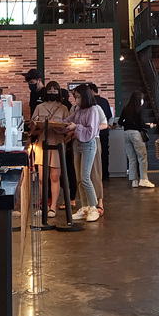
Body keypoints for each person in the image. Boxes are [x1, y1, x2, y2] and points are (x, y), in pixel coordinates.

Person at [63, 83, 104, 222]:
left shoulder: (93, 110)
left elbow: (91, 131)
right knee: (79, 179)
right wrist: (54, 123)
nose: (76, 100)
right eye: (75, 97)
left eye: (78, 97)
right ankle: (84, 207)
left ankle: (93, 208)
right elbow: (67, 121)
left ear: (85, 96)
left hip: (88, 145)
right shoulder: (78, 109)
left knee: (86, 178)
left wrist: (76, 127)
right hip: (77, 144)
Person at [30, 81, 69, 218]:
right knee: (41, 178)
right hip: (42, 142)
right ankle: (44, 205)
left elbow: (68, 126)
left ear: (58, 92)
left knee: (54, 176)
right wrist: (35, 124)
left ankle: (53, 207)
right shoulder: (39, 107)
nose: (52, 92)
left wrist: (65, 135)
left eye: (55, 90)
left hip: (57, 142)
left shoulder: (63, 108)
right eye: (50, 90)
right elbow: (32, 127)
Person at [118, 91, 155, 188]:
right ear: (139, 99)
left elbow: (120, 122)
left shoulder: (126, 109)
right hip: (136, 134)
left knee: (131, 158)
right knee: (142, 157)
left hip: (126, 134)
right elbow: (140, 124)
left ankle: (134, 181)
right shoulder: (139, 109)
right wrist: (149, 126)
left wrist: (128, 124)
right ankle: (144, 179)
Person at [89, 83, 113, 180]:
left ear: (91, 91)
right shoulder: (105, 101)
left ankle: (95, 176)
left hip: (92, 133)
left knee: (93, 155)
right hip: (104, 132)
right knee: (104, 153)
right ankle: (105, 175)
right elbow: (109, 116)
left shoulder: (90, 102)